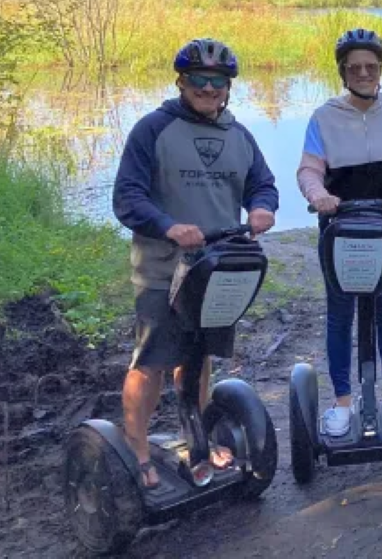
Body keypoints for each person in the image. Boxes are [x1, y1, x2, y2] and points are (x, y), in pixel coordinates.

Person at [113, 38, 278, 490]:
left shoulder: (238, 134)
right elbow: (127, 196)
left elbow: (262, 183)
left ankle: (197, 438)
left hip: (216, 270)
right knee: (152, 360)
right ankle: (138, 450)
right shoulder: (153, 129)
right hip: (163, 271)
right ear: (182, 82)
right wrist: (167, 225)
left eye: (218, 82)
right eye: (199, 80)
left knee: (200, 356)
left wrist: (262, 207)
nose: (209, 89)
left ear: (228, 87)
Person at [297, 28, 382, 437]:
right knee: (340, 313)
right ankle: (340, 401)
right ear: (343, 72)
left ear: (381, 69)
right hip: (340, 230)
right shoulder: (324, 117)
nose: (364, 73)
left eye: (371, 66)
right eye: (355, 68)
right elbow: (309, 169)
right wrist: (318, 195)